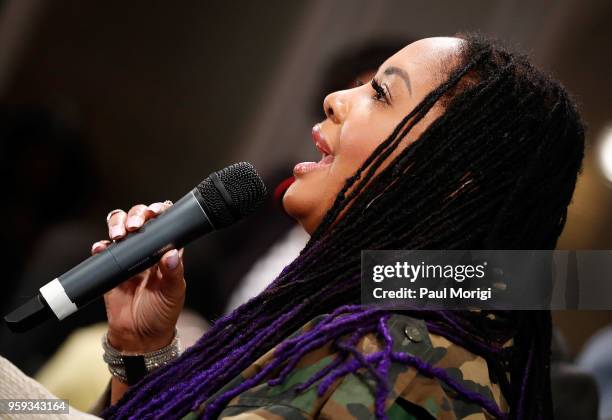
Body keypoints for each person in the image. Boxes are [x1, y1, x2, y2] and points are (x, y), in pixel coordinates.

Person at [91, 33, 584, 419]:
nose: (334, 99)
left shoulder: (398, 369)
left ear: (455, 179)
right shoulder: (349, 321)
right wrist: (141, 350)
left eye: (381, 92)